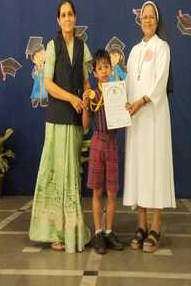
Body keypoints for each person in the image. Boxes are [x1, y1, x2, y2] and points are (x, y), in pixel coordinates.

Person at [29, 0, 91, 253]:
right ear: (58, 20)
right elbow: (48, 85)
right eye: (63, 15)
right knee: (54, 173)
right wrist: (72, 99)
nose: (67, 18)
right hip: (56, 119)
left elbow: (85, 82)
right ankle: (54, 232)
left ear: (75, 18)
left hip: (75, 120)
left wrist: (86, 96)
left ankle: (72, 231)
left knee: (72, 174)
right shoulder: (52, 46)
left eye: (70, 14)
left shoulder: (83, 47)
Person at [123, 0, 176, 253]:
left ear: (157, 20)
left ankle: (156, 227)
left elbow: (160, 82)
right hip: (136, 120)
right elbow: (128, 83)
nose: (147, 20)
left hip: (154, 117)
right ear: (139, 21)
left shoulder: (162, 47)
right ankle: (141, 226)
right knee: (139, 170)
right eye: (144, 16)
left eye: (151, 16)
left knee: (155, 168)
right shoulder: (134, 51)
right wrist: (123, 102)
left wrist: (142, 101)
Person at [82, 50, 124, 254]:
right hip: (98, 142)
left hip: (113, 144)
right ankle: (98, 232)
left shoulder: (119, 92)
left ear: (112, 68)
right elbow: (85, 125)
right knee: (97, 191)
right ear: (95, 73)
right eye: (100, 68)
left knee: (112, 192)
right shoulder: (93, 95)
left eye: (107, 67)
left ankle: (109, 231)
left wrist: (126, 109)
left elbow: (123, 121)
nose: (104, 71)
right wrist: (84, 105)